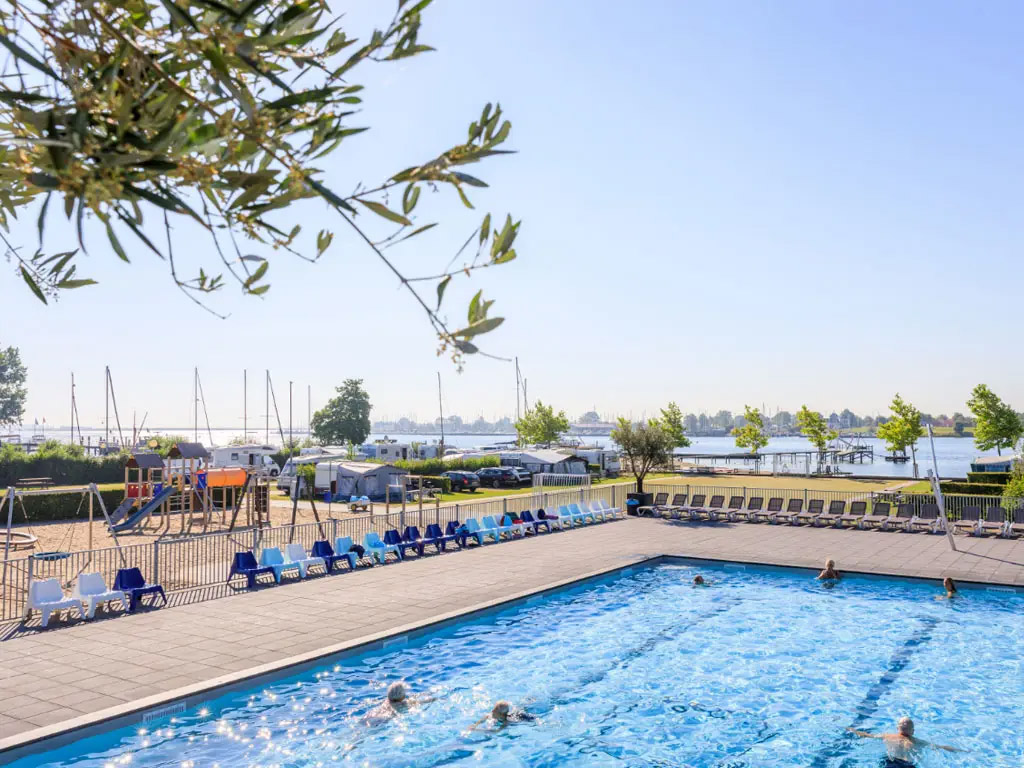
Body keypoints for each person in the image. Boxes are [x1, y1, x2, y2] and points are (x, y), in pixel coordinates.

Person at [848, 716, 963, 766]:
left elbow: (867, 736)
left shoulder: (888, 736)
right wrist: (960, 750)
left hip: (891, 762)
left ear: (898, 728)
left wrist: (852, 730)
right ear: (912, 731)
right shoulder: (917, 741)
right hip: (908, 765)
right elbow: (940, 747)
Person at [364, 681, 434, 724]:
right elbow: (422, 702)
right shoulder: (404, 704)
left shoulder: (386, 701)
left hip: (370, 716)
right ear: (402, 696)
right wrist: (434, 699)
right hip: (381, 721)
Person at [469, 700, 535, 731]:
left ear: (500, 715)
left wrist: (477, 730)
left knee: (528, 717)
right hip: (510, 713)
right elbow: (485, 717)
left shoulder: (506, 722)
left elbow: (496, 731)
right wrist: (475, 725)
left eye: (494, 711)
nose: (492, 711)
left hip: (520, 717)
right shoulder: (492, 714)